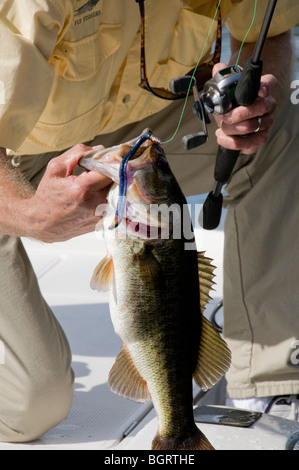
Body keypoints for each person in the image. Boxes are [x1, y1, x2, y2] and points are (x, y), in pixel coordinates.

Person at [0, 0, 298, 442]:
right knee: (34, 404)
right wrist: (29, 215)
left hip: (137, 140)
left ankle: (269, 383)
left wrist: (242, 102)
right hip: (15, 156)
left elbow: (269, 31)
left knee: (279, 124)